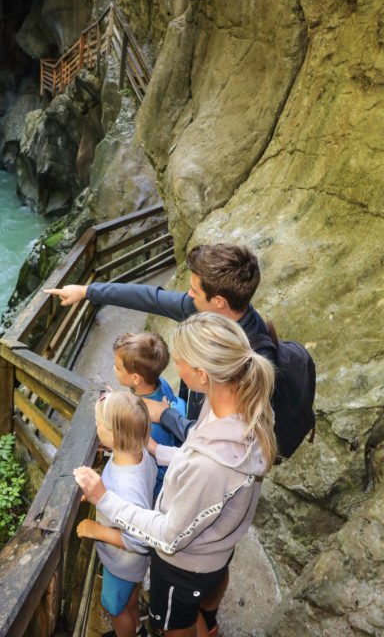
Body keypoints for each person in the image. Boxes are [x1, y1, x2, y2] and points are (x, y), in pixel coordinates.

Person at [74, 313, 277, 637]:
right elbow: (198, 452)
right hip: (216, 552)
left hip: (185, 565)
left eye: (180, 361)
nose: (175, 368)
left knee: (172, 625)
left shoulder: (212, 465)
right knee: (202, 599)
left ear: (201, 374)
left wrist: (104, 499)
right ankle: (208, 624)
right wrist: (159, 451)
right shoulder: (235, 408)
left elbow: (168, 535)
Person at [45, 243, 274, 443]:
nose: (188, 294)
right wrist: (87, 291)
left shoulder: (250, 357)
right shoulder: (204, 309)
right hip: (187, 411)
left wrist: (166, 415)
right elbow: (150, 298)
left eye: (194, 290)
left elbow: (221, 438)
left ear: (219, 301)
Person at [76, 391, 157, 637]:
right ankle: (138, 627)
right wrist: (97, 494)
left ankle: (127, 631)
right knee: (129, 597)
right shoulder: (138, 455)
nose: (96, 427)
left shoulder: (126, 484)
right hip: (134, 567)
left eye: (98, 424)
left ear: (113, 435)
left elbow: (140, 541)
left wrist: (96, 530)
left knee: (114, 606)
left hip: (123, 562)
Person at [112, 332, 186, 498]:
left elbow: (158, 467)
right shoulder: (161, 383)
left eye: (117, 367)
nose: (113, 369)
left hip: (159, 484)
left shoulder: (145, 423)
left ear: (135, 378)